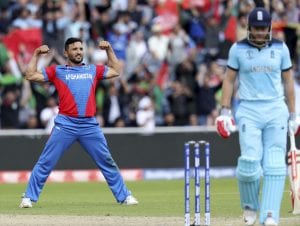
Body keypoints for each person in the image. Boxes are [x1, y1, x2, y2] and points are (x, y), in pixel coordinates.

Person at [19, 37, 138, 208]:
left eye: (81, 49)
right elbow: (30, 75)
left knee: (107, 161)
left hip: (89, 125)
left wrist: (109, 49)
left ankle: (124, 196)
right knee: (46, 161)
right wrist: (37, 53)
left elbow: (116, 70)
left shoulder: (92, 70)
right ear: (66, 53)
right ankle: (28, 197)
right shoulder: (58, 70)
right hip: (65, 124)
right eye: (74, 49)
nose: (78, 52)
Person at [215, 7, 298, 226]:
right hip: (249, 109)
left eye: (264, 28)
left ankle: (270, 214)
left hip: (275, 109)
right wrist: (224, 111)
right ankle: (250, 207)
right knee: (250, 163)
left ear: (269, 28)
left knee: (274, 164)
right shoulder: (238, 49)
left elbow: (288, 81)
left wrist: (293, 113)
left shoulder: (280, 49)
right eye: (256, 28)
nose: (260, 32)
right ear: (249, 27)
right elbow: (229, 80)